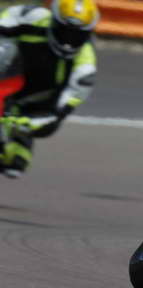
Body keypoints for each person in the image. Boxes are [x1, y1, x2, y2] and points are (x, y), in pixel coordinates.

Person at [0, 0, 99, 178]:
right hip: (11, 73)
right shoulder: (32, 17)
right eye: (64, 32)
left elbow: (58, 113)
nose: (68, 41)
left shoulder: (85, 68)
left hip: (37, 100)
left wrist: (31, 122)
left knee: (16, 163)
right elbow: (7, 19)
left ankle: (17, 141)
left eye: (76, 36)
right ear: (53, 22)